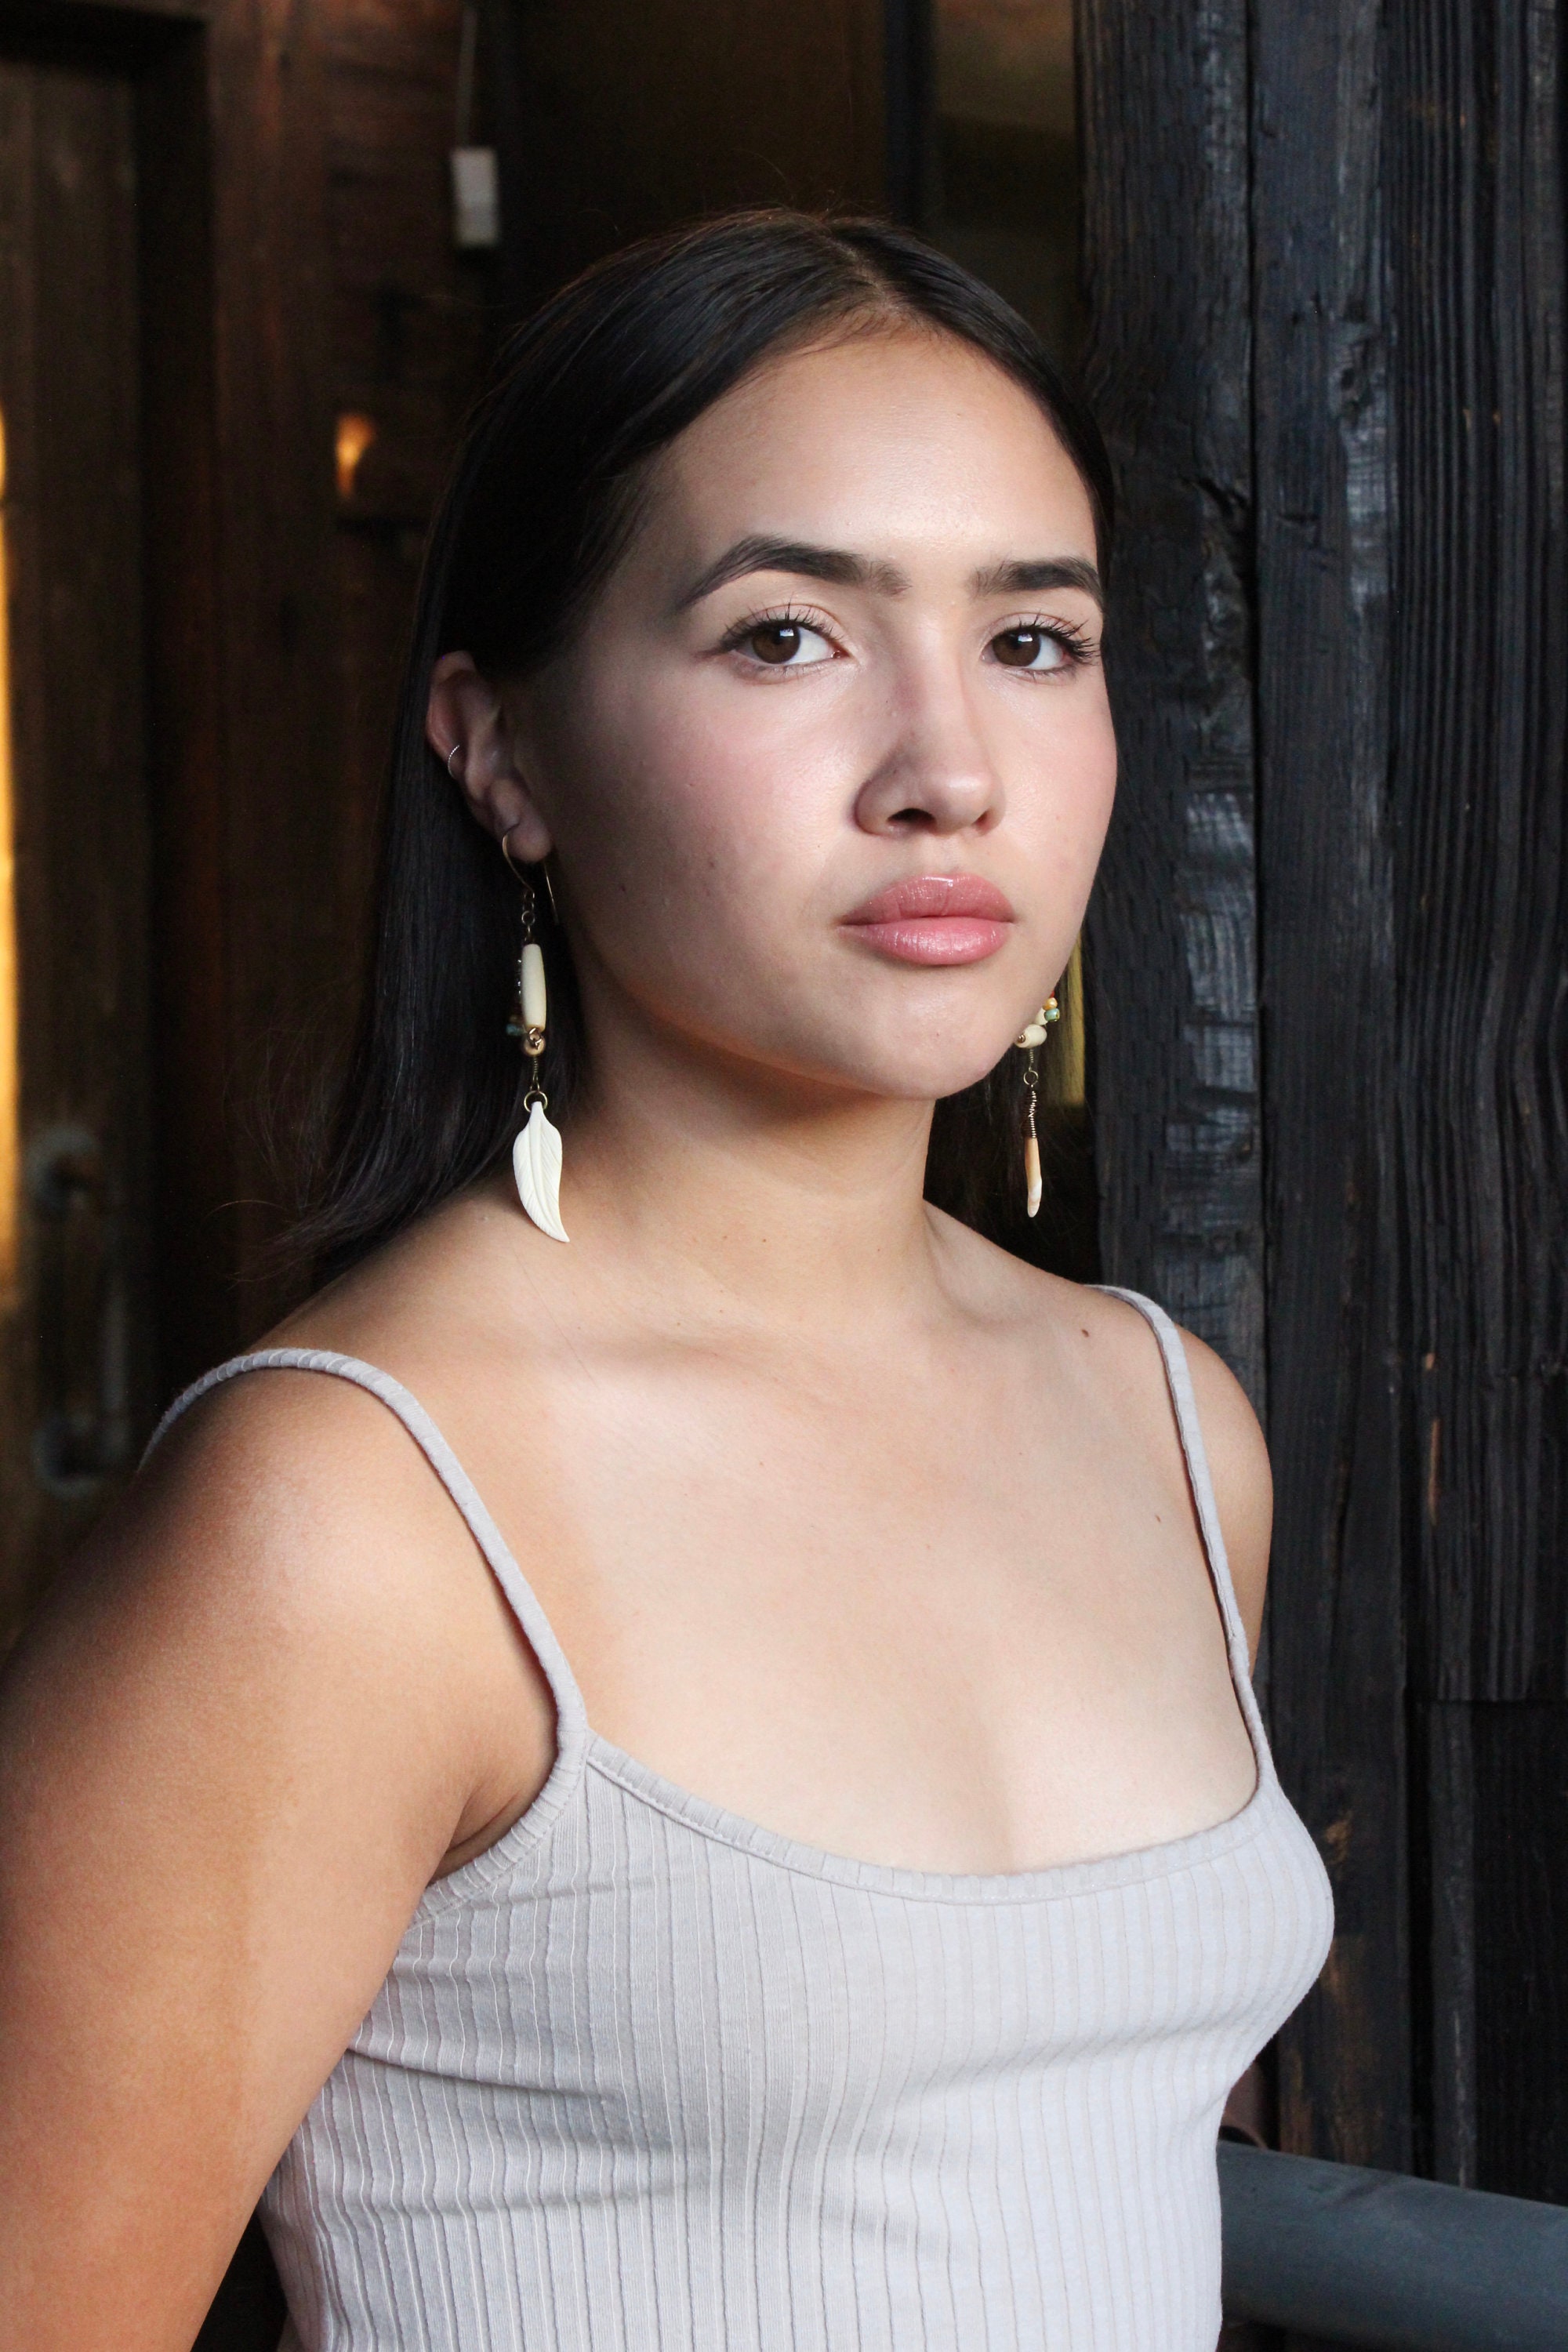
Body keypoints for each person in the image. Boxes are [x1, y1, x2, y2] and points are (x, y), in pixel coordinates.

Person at [0, 212, 1331, 2352]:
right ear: (501, 752)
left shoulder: (1169, 1425)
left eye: (1035, 639)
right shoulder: (347, 1514)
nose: (950, 771)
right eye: (786, 635)